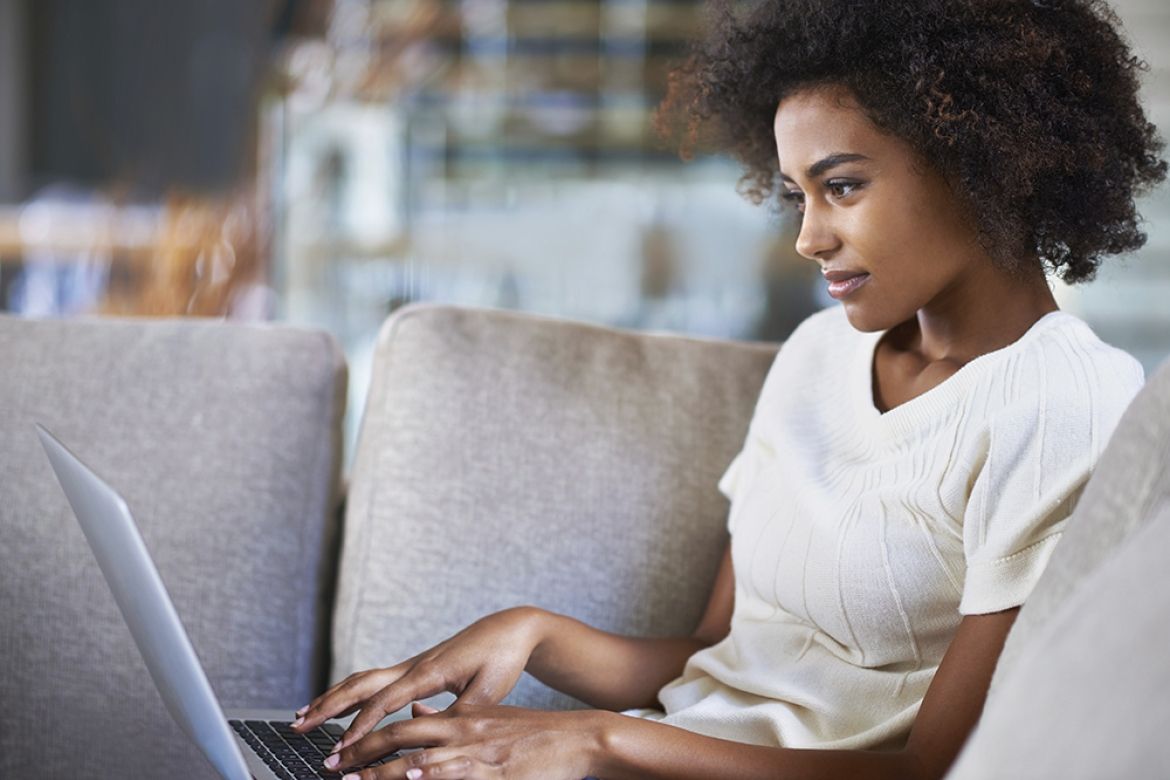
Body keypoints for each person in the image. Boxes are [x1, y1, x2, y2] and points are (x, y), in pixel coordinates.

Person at [293, 0, 1166, 777]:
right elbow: (719, 655)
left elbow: (935, 770)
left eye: (843, 186)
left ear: (983, 163)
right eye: (797, 196)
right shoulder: (819, 353)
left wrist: (598, 741)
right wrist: (534, 633)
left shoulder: (1063, 403)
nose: (809, 238)